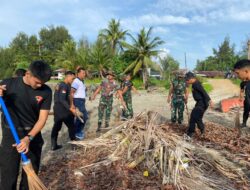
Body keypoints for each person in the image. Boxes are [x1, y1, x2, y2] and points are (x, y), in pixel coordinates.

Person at [0, 60, 52, 190]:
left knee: (28, 181)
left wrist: (29, 138)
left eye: (43, 83)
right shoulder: (8, 84)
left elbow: (42, 119)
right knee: (8, 177)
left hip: (32, 136)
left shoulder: (46, 91)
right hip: (10, 136)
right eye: (37, 82)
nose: (40, 85)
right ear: (28, 73)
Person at [51, 71, 76, 151]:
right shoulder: (64, 86)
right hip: (63, 110)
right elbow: (62, 100)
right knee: (71, 126)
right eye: (72, 78)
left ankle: (53, 145)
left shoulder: (60, 84)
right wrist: (70, 108)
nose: (73, 80)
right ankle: (74, 145)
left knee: (57, 126)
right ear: (68, 76)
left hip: (57, 109)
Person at [185, 71, 213, 138]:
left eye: (187, 80)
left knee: (193, 117)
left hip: (202, 103)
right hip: (200, 103)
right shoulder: (194, 83)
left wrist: (210, 100)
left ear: (191, 78)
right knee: (198, 118)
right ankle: (202, 129)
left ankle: (190, 133)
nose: (187, 81)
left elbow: (204, 92)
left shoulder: (196, 84)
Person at [71, 67, 88, 140]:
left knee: (84, 117)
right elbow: (72, 92)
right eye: (83, 73)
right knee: (81, 117)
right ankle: (76, 132)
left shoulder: (81, 81)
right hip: (78, 101)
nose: (84, 74)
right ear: (78, 73)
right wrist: (72, 104)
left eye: (84, 73)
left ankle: (78, 131)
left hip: (81, 101)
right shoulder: (76, 81)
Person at [234, 59, 250, 128]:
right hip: (247, 101)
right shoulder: (243, 83)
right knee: (245, 112)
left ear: (246, 71)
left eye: (238, 73)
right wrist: (241, 97)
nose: (237, 76)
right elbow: (242, 90)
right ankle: (244, 123)